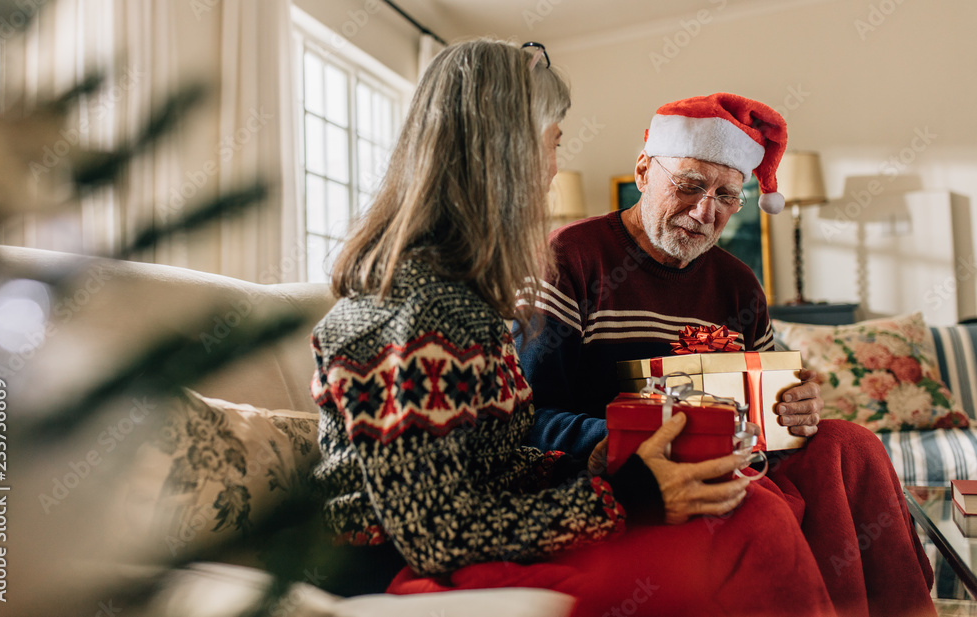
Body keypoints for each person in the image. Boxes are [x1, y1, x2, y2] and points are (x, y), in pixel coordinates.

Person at [311, 42, 839, 615]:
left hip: (503, 530)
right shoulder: (414, 310)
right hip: (411, 569)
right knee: (741, 521)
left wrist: (615, 460)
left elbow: (500, 459)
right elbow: (440, 532)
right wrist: (629, 494)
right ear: (503, 152)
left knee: (768, 498)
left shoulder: (462, 298)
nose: (555, 164)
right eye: (554, 140)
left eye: (726, 196)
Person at [515, 92, 936, 617]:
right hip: (629, 470)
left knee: (852, 444)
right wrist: (621, 438)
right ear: (644, 171)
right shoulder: (567, 260)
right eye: (690, 185)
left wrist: (792, 410)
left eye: (727, 196)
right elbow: (526, 417)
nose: (705, 211)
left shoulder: (738, 283)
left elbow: (769, 407)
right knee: (746, 499)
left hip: (735, 453)